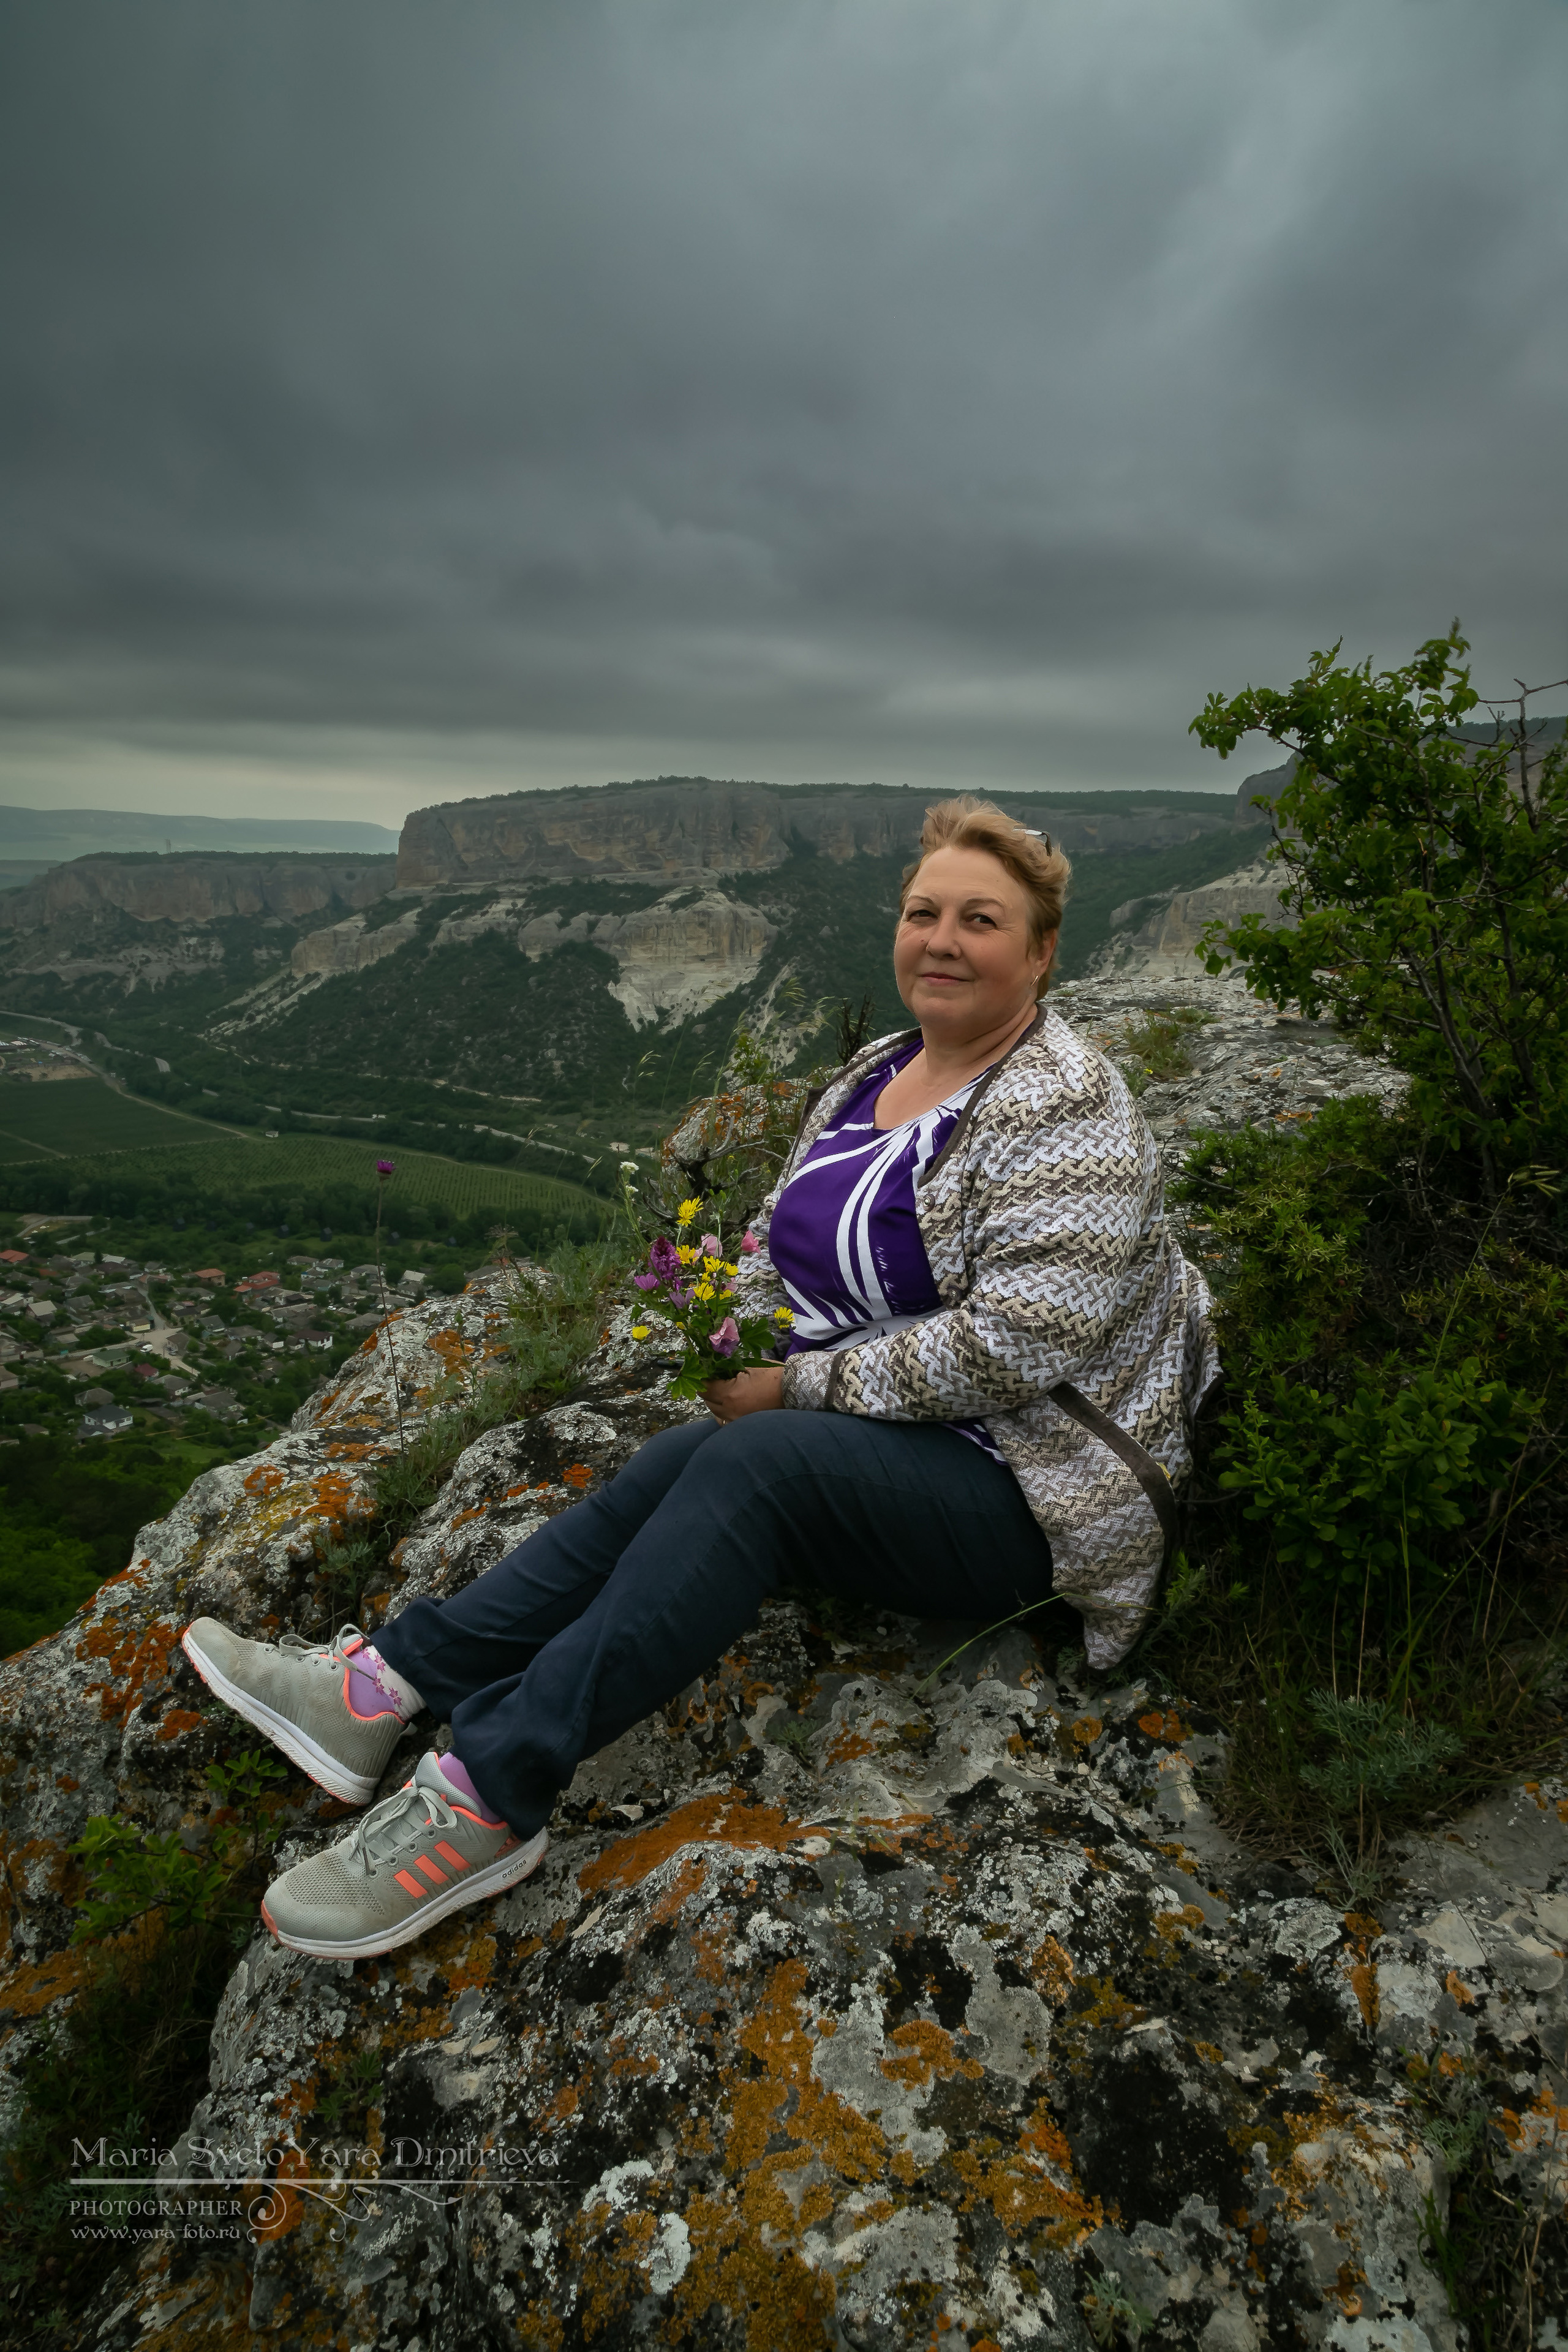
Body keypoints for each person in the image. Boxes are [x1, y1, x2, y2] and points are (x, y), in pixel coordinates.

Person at [182, 796, 1218, 1959]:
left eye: (982, 919)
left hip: (1033, 1496)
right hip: (908, 1454)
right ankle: (377, 1690)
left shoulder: (1066, 1102)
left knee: (761, 1466)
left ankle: (486, 1796)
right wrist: (725, 1327)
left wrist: (800, 1389)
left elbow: (1024, 1342)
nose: (943, 938)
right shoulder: (880, 1074)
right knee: (685, 1457)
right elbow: (785, 1240)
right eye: (923, 911)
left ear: (1040, 951)